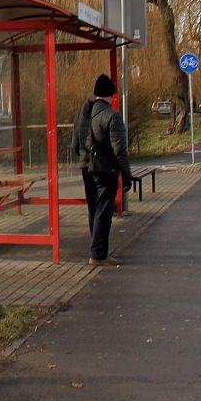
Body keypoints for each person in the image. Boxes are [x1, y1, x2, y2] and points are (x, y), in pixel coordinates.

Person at [72, 73, 132, 267]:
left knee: (94, 210)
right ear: (111, 95)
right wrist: (127, 175)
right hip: (105, 170)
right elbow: (120, 151)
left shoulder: (83, 113)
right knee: (104, 212)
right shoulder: (112, 116)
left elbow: (75, 145)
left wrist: (85, 159)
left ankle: (97, 250)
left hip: (86, 167)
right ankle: (98, 255)